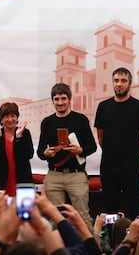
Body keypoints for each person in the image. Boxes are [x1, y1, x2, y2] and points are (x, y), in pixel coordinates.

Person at [37, 83, 97, 231]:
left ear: (70, 99)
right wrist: (46, 154)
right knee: (54, 217)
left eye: (63, 98)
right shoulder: (47, 122)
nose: (60, 102)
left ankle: (90, 249)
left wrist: (80, 150)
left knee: (82, 215)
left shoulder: (80, 120)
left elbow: (92, 147)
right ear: (52, 101)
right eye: (56, 99)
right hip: (54, 175)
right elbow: (40, 151)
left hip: (76, 175)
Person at [94, 67, 139, 219]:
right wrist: (112, 153)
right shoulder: (103, 107)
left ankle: (136, 242)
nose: (119, 84)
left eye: (123, 81)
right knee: (110, 211)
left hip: (131, 168)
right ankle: (112, 242)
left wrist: (133, 157)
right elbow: (101, 138)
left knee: (136, 209)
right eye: (116, 80)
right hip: (108, 167)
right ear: (113, 83)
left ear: (130, 83)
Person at [0, 102, 34, 195]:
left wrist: (19, 137)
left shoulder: (25, 133)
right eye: (6, 116)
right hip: (1, 182)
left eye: (13, 116)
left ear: (17, 118)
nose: (10, 119)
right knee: (3, 209)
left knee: (23, 209)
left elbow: (29, 154)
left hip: (22, 181)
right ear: (1, 119)